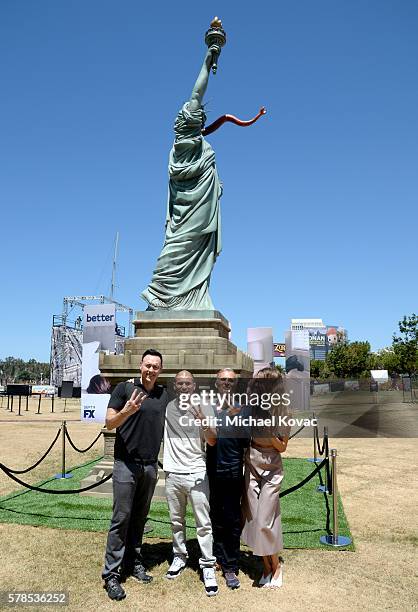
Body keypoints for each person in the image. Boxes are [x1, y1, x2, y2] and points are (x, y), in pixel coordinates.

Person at [141, 44, 223, 310]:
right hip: (187, 208)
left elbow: (197, 95)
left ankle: (192, 298)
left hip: (201, 204)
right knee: (177, 246)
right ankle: (160, 293)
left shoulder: (190, 146)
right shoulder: (184, 144)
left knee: (193, 247)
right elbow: (197, 91)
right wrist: (207, 59)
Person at [102, 349, 168, 601]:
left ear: (160, 370)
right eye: (148, 365)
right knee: (121, 518)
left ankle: (134, 561)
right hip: (125, 464)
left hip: (150, 466)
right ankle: (111, 574)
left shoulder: (163, 395)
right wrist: (126, 411)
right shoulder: (123, 390)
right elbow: (109, 423)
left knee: (140, 517)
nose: (151, 370)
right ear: (141, 366)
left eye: (156, 366)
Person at [163, 370, 219, 596]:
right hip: (173, 473)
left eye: (187, 383)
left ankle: (207, 565)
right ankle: (179, 556)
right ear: (175, 387)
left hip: (196, 472)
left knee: (203, 524)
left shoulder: (204, 405)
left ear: (193, 386)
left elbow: (213, 439)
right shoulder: (168, 408)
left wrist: (203, 422)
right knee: (176, 521)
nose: (184, 387)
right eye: (180, 384)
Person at [241, 368, 290, 589]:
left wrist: (270, 434)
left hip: (271, 464)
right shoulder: (252, 407)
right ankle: (266, 567)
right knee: (253, 518)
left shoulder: (282, 411)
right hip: (251, 461)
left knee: (265, 520)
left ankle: (276, 566)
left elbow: (283, 447)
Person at [205, 369, 250, 589]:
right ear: (216, 383)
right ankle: (216, 557)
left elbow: (246, 443)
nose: (227, 383)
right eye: (223, 379)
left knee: (232, 520)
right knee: (214, 516)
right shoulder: (208, 407)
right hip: (211, 470)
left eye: (231, 380)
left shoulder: (243, 408)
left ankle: (231, 565)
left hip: (233, 471)